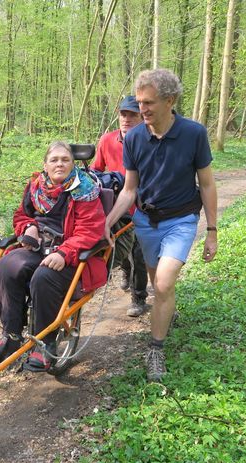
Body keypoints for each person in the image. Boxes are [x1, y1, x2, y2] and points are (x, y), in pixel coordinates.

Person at [104, 69, 218, 382]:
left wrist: (212, 231)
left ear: (170, 100)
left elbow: (207, 184)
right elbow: (129, 190)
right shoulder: (135, 137)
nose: (142, 109)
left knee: (164, 284)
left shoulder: (194, 134)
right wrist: (108, 222)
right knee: (158, 284)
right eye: (140, 102)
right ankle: (167, 311)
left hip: (181, 219)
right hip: (146, 222)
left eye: (149, 102)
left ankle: (155, 348)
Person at [0, 141, 107, 372]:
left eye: (65, 159)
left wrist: (64, 252)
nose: (59, 163)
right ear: (45, 164)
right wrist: (28, 228)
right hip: (38, 247)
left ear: (73, 164)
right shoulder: (35, 186)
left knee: (44, 276)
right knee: (7, 266)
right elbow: (21, 215)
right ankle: (11, 335)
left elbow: (90, 230)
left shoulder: (85, 189)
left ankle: (45, 344)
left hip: (71, 254)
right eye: (54, 159)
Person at [91, 95, 149, 317]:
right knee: (120, 249)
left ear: (142, 117)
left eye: (132, 115)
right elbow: (97, 169)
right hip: (116, 209)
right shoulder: (107, 140)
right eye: (123, 114)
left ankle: (139, 297)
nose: (126, 119)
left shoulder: (148, 142)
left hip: (141, 208)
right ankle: (126, 273)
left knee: (140, 254)